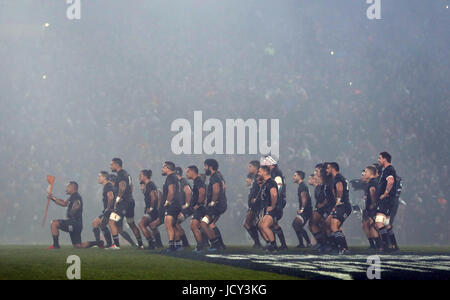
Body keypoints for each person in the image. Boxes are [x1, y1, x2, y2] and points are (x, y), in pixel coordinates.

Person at [48, 181, 96, 249]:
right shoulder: (73, 197)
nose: (66, 188)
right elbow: (64, 203)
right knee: (78, 246)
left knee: (54, 223)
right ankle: (98, 243)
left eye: (68, 187)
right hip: (77, 224)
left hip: (73, 223)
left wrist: (71, 213)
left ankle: (56, 246)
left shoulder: (76, 197)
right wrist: (52, 198)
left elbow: (77, 204)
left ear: (72, 187)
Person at [108, 158, 142, 249]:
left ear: (116, 165)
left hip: (123, 204)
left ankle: (116, 245)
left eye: (111, 164)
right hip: (130, 202)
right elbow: (131, 186)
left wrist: (118, 199)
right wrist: (129, 196)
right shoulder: (127, 174)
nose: (110, 166)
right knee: (131, 223)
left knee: (111, 221)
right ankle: (141, 244)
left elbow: (122, 187)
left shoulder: (121, 174)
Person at [260, 155, 288, 250]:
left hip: (277, 201)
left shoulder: (276, 173)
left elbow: (277, 189)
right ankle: (280, 244)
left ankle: (273, 244)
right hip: (276, 201)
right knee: (273, 224)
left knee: (268, 223)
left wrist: (274, 204)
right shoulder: (275, 172)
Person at [324, 162, 351, 255]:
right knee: (327, 223)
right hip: (340, 205)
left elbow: (339, 188)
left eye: (328, 168)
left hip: (343, 205)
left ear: (333, 169)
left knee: (334, 226)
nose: (327, 170)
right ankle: (335, 246)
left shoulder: (338, 178)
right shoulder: (336, 178)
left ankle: (344, 248)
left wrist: (338, 201)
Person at [201, 159, 227, 251]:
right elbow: (223, 187)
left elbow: (216, 189)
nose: (204, 168)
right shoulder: (218, 176)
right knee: (211, 225)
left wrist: (212, 202)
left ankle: (215, 244)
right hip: (220, 204)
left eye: (205, 166)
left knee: (203, 223)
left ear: (210, 167)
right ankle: (220, 245)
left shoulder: (214, 177)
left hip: (216, 205)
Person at [375, 152, 399, 252]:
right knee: (386, 223)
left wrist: (385, 193)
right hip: (389, 200)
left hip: (387, 200)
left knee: (379, 222)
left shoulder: (389, 169)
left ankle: (385, 246)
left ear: (385, 159)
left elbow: (391, 181)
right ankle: (394, 245)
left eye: (380, 158)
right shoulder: (387, 169)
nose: (378, 160)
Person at [186, 165, 208, 252]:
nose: (186, 174)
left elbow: (202, 192)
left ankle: (200, 246)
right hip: (199, 207)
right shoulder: (196, 181)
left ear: (192, 171)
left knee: (193, 226)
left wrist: (198, 204)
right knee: (197, 226)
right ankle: (203, 244)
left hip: (199, 208)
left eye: (187, 172)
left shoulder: (198, 180)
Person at [257, 166, 279, 252]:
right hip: (266, 208)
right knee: (259, 225)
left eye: (259, 171)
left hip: (272, 208)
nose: (258, 173)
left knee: (264, 226)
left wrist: (273, 206)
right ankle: (269, 244)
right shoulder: (266, 183)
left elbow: (274, 194)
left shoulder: (271, 182)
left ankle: (273, 246)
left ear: (264, 172)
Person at [161, 161, 182, 252]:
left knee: (168, 224)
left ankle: (171, 246)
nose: (162, 169)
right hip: (177, 204)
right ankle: (178, 245)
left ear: (167, 168)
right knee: (174, 225)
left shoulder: (170, 177)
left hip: (172, 205)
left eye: (163, 167)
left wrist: (167, 201)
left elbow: (171, 191)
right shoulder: (175, 177)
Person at [92, 171, 114, 248]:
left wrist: (108, 208)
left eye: (99, 176)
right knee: (95, 223)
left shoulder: (108, 185)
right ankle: (99, 244)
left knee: (102, 224)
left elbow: (110, 196)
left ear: (104, 177)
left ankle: (110, 244)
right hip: (107, 210)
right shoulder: (106, 186)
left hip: (110, 210)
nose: (98, 178)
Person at [361, 166, 382, 250]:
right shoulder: (373, 182)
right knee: (367, 225)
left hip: (373, 208)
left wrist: (373, 204)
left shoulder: (372, 183)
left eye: (366, 172)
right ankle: (375, 245)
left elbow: (372, 191)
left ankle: (378, 245)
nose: (364, 173)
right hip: (371, 208)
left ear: (370, 173)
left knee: (372, 225)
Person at [243, 160, 262, 249]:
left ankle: (259, 242)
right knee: (254, 224)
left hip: (257, 205)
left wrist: (256, 199)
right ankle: (260, 242)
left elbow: (262, 189)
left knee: (248, 224)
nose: (248, 168)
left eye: (250, 166)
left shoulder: (259, 177)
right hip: (253, 205)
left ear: (255, 167)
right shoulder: (253, 177)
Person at [137, 169, 158, 249]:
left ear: (145, 176)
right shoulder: (148, 185)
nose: (139, 177)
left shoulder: (149, 184)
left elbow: (154, 197)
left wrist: (151, 208)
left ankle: (151, 243)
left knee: (141, 224)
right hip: (152, 209)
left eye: (140, 175)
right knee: (152, 226)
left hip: (152, 210)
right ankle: (157, 243)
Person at [292, 171, 312, 248]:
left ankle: (307, 243)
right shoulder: (301, 185)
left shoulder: (302, 186)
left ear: (299, 177)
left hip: (306, 210)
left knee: (296, 224)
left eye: (295, 175)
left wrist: (302, 209)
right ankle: (303, 243)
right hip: (306, 210)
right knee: (297, 225)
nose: (293, 177)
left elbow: (304, 197)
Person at [175, 167, 193, 250]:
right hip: (184, 208)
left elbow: (188, 191)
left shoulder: (183, 181)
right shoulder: (179, 182)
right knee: (175, 223)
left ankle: (184, 243)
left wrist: (186, 204)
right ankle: (185, 243)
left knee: (175, 222)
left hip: (187, 209)